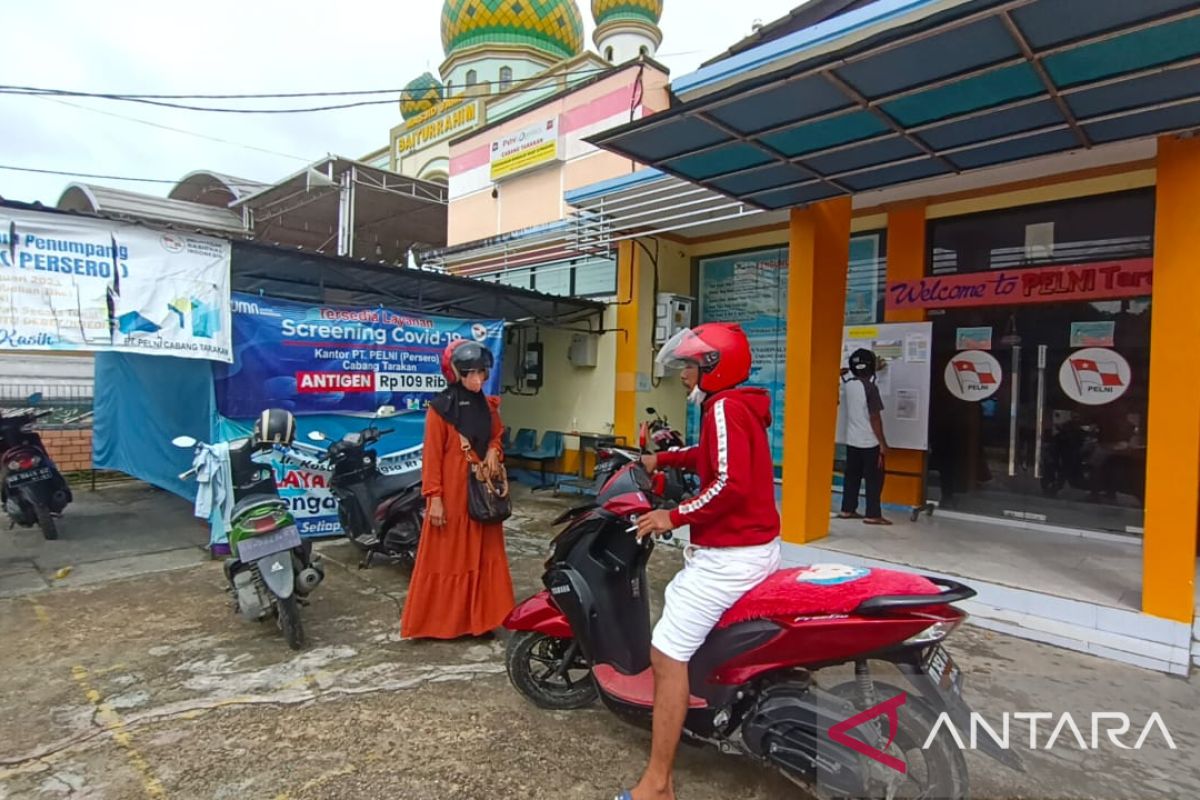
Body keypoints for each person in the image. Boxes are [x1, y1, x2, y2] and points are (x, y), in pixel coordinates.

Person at [620, 323, 781, 800]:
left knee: (666, 654)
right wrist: (662, 462)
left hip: (729, 558)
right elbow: (711, 458)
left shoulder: (725, 407)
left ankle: (658, 783)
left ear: (714, 367)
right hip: (752, 549)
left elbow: (728, 485)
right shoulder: (734, 406)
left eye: (690, 365)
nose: (684, 375)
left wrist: (673, 515)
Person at [399, 340, 515, 640]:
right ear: (455, 374)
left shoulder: (488, 407)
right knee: (447, 559)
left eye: (481, 373)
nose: (477, 380)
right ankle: (442, 625)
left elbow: (497, 435)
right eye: (470, 373)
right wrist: (434, 498)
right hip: (451, 497)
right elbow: (432, 458)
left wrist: (493, 449)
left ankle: (481, 621)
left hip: (481, 496)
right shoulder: (440, 410)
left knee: (483, 557)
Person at [839, 347, 891, 525]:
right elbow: (875, 418)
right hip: (870, 442)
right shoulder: (871, 388)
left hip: (852, 440)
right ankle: (873, 514)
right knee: (874, 479)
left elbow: (848, 374)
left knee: (852, 476)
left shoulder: (848, 384)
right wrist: (883, 443)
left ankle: (847, 509)